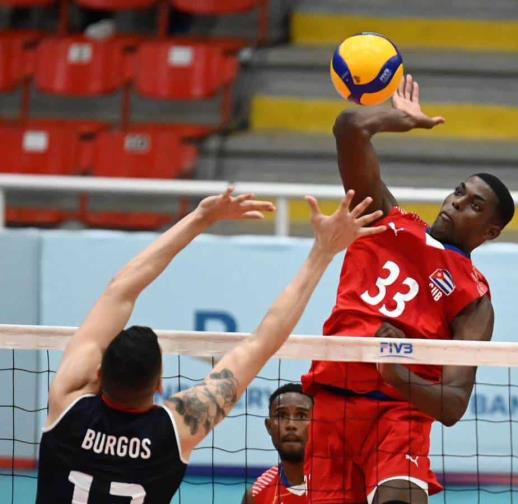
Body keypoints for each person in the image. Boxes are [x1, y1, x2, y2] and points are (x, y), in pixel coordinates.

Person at [36, 187, 384, 503]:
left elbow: (119, 289)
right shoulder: (178, 428)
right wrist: (321, 253)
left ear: (99, 371)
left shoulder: (67, 403)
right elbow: (262, 343)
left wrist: (199, 217)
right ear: (159, 385)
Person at [301, 74, 516, 504]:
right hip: (329, 407)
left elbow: (453, 404)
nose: (457, 202)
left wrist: (396, 373)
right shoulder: (384, 218)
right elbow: (349, 128)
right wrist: (394, 118)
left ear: (491, 231)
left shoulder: (474, 300)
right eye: (459, 192)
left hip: (398, 415)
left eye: (475, 205)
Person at [244, 383, 313, 504]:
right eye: (281, 415)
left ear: (318, 424)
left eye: (301, 415)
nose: (291, 424)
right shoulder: (256, 494)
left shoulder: (341, 484)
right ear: (269, 426)